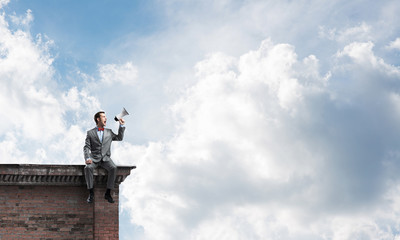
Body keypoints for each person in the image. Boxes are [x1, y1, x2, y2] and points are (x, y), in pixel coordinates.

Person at [83, 111, 125, 203]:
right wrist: (87, 158)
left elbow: (119, 138)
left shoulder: (109, 132)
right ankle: (91, 193)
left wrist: (121, 126)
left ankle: (108, 193)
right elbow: (86, 147)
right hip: (94, 158)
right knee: (87, 168)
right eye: (103, 117)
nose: (106, 118)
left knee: (113, 168)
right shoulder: (90, 133)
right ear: (98, 119)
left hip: (106, 159)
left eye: (106, 117)